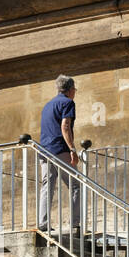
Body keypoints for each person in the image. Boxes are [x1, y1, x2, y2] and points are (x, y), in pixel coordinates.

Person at [38, 75, 83, 232]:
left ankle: (43, 223)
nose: (74, 92)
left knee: (47, 186)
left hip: (44, 151)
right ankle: (74, 223)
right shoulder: (68, 102)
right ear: (70, 90)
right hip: (60, 150)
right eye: (74, 90)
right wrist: (72, 149)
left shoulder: (47, 105)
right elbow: (65, 125)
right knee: (76, 185)